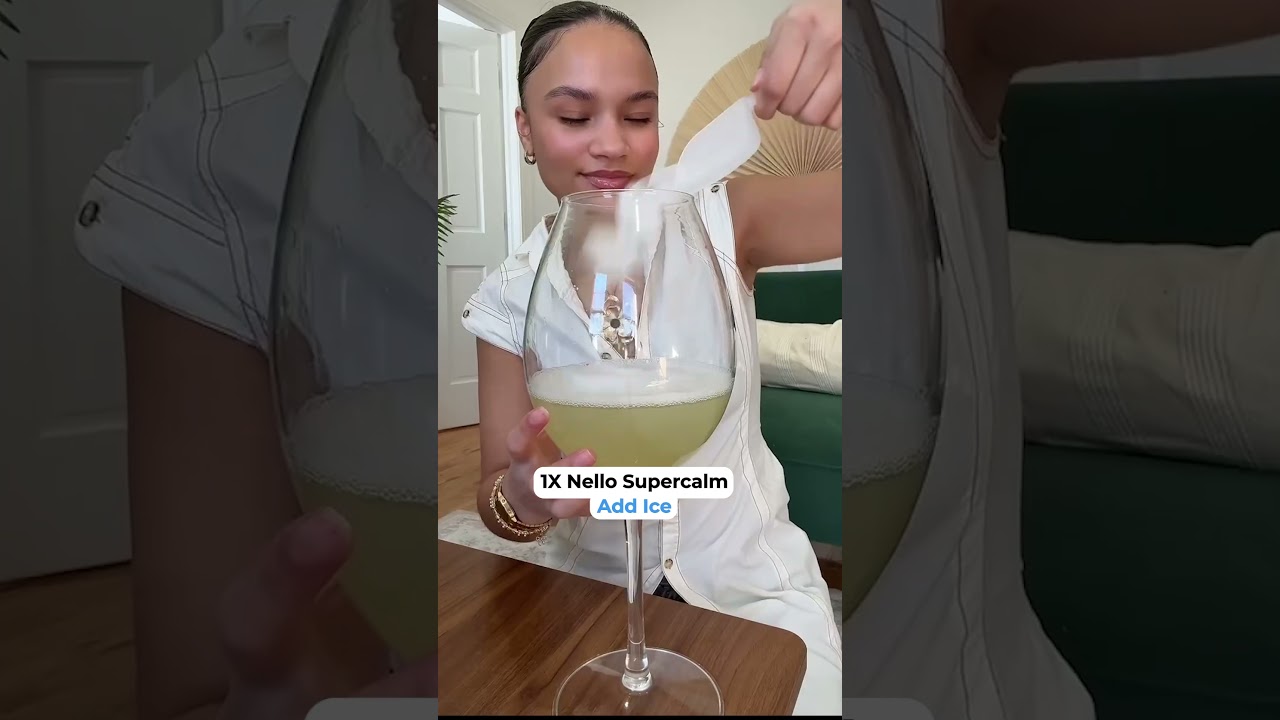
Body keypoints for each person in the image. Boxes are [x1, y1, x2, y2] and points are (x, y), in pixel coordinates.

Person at [68, 0, 1280, 716]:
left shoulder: (719, 219)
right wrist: (529, 492)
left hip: (752, 593)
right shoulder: (505, 294)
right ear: (525, 132)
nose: (609, 143)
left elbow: (876, 208)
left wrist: (869, 82)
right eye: (572, 115)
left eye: (638, 112)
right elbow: (504, 495)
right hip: (584, 607)